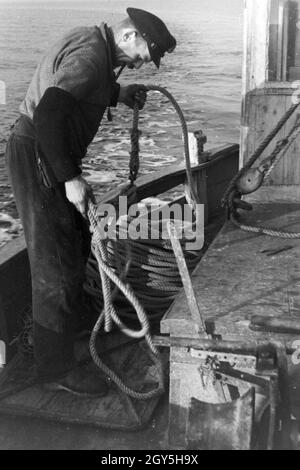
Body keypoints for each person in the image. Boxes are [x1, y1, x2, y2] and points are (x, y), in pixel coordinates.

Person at [5, 7, 176, 397]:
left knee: (78, 240)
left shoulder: (96, 51)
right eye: (146, 52)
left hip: (45, 151)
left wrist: (119, 93)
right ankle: (55, 368)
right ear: (129, 35)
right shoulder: (92, 55)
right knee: (56, 265)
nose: (146, 62)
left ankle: (73, 324)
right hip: (40, 154)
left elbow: (81, 89)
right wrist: (71, 179)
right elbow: (49, 113)